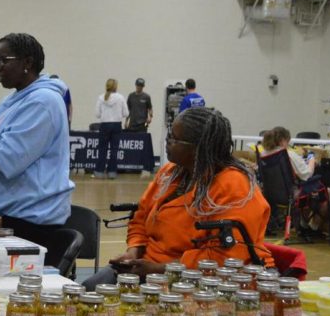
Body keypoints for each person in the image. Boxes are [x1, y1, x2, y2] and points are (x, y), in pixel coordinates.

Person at [83, 107, 274, 289]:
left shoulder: (234, 185)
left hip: (202, 281)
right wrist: (134, 251)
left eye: (174, 138)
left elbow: (225, 259)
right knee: (90, 287)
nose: (167, 141)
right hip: (148, 269)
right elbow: (140, 217)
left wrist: (160, 269)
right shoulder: (170, 173)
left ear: (199, 147)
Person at [0, 33, 74, 245]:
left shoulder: (43, 102)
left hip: (31, 222)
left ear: (27, 62)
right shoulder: (11, 100)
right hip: (2, 214)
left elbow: (6, 157)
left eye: (3, 61)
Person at [260, 126, 330, 230]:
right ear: (282, 140)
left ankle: (303, 224)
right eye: (288, 142)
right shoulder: (287, 154)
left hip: (270, 194)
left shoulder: (263, 154)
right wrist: (311, 158)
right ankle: (313, 226)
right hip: (290, 195)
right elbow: (306, 174)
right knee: (327, 191)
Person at [94, 78, 128, 179]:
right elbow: (126, 113)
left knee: (102, 149)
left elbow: (97, 114)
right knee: (114, 150)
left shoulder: (101, 98)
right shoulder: (120, 97)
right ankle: (112, 172)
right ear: (116, 86)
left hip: (104, 125)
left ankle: (99, 171)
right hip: (116, 125)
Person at [126, 78, 155, 178]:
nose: (139, 87)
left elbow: (150, 108)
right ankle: (131, 166)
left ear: (143, 86)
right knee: (132, 146)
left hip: (142, 125)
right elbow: (128, 110)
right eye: (138, 85)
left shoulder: (146, 97)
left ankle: (141, 165)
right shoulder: (131, 96)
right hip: (132, 124)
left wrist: (150, 117)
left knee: (142, 146)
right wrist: (126, 121)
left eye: (141, 86)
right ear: (135, 85)